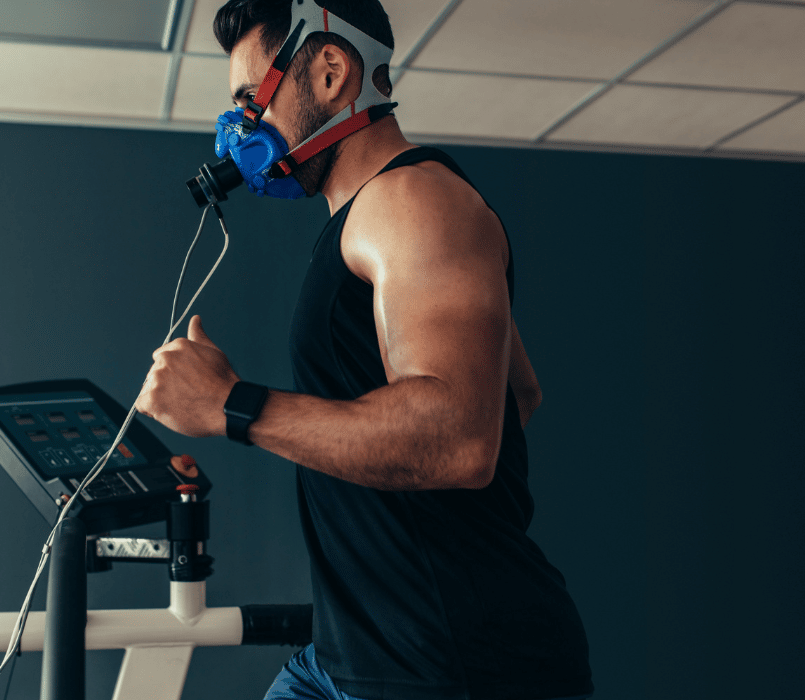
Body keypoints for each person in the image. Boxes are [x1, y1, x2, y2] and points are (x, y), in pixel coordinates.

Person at [134, 1, 594, 698]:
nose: (237, 132)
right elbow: (515, 395)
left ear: (328, 72)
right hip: (356, 650)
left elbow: (463, 439)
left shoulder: (412, 201)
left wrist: (232, 405)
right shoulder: (372, 217)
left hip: (451, 666)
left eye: (248, 100)